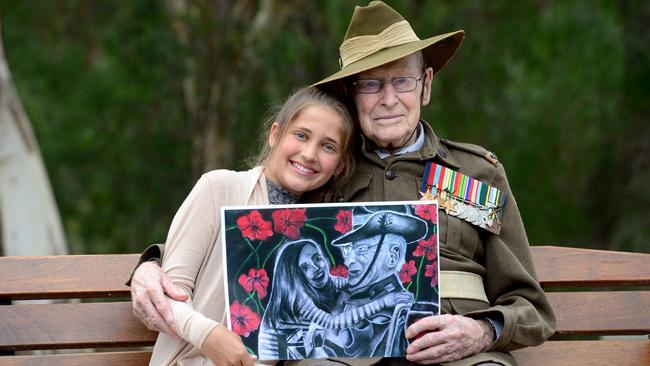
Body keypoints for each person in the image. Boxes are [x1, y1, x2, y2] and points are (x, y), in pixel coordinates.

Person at [130, 2, 556, 365]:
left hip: (460, 356)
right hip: (349, 355)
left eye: (402, 81)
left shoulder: (474, 174)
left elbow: (530, 307)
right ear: (353, 97)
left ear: (425, 85)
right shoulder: (326, 172)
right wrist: (152, 266)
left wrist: (481, 332)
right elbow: (250, 229)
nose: (388, 98)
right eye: (371, 84)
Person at [143, 86, 356, 366]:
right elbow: (168, 294)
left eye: (328, 146)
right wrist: (209, 335)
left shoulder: (316, 233)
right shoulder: (218, 187)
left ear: (339, 165)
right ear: (275, 134)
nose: (309, 153)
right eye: (301, 135)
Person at [259, 239, 411, 360]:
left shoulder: (323, 282)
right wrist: (383, 302)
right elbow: (334, 322)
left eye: (317, 258)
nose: (316, 267)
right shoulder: (298, 298)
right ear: (294, 277)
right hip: (276, 358)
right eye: (305, 268)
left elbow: (344, 284)